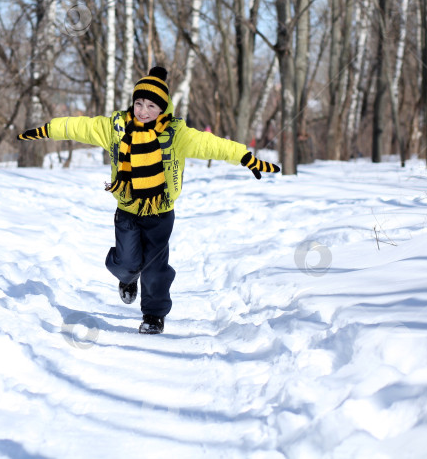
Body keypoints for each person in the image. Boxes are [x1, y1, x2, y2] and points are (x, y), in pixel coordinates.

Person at [17, 66, 280, 334]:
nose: (143, 111)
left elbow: (212, 144)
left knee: (155, 267)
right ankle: (128, 278)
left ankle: (153, 315)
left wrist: (245, 157)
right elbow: (80, 127)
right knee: (127, 262)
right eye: (139, 103)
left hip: (161, 212)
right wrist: (47, 129)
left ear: (163, 109)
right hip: (128, 208)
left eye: (151, 105)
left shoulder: (176, 134)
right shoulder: (116, 129)